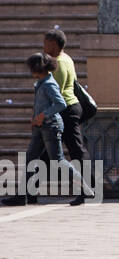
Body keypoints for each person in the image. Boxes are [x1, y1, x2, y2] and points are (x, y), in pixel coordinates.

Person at [16, 54, 88, 206]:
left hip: (51, 127)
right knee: (30, 158)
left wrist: (43, 115)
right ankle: (22, 195)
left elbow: (60, 103)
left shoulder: (49, 84)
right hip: (40, 127)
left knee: (58, 161)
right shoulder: (41, 83)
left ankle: (84, 187)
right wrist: (35, 117)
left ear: (38, 68)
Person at [39, 28, 87, 172]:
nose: (44, 47)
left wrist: (42, 115)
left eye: (46, 43)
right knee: (46, 156)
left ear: (54, 44)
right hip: (70, 108)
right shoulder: (67, 58)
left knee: (76, 152)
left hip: (65, 112)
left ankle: (93, 190)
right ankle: (27, 192)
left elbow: (55, 95)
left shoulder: (56, 64)